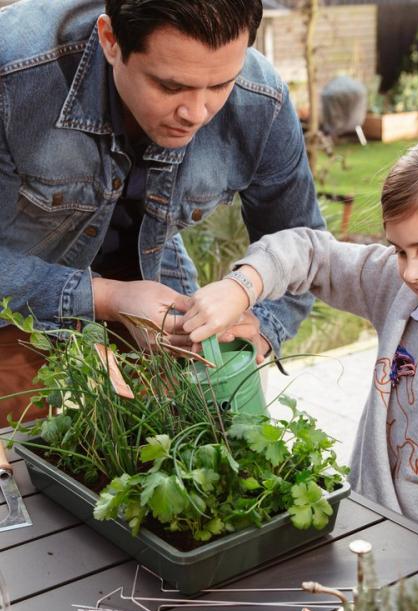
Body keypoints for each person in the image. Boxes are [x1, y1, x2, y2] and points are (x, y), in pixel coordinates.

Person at [0, 0, 323, 422]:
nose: (197, 113)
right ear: (110, 39)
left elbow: (305, 248)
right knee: (28, 443)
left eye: (220, 84)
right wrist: (109, 298)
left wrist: (259, 330)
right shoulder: (13, 76)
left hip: (151, 286)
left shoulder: (261, 101)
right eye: (171, 87)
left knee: (193, 427)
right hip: (19, 304)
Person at [182, 129, 418, 552]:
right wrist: (242, 287)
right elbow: (312, 253)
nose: (410, 271)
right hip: (358, 530)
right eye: (399, 250)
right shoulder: (402, 295)